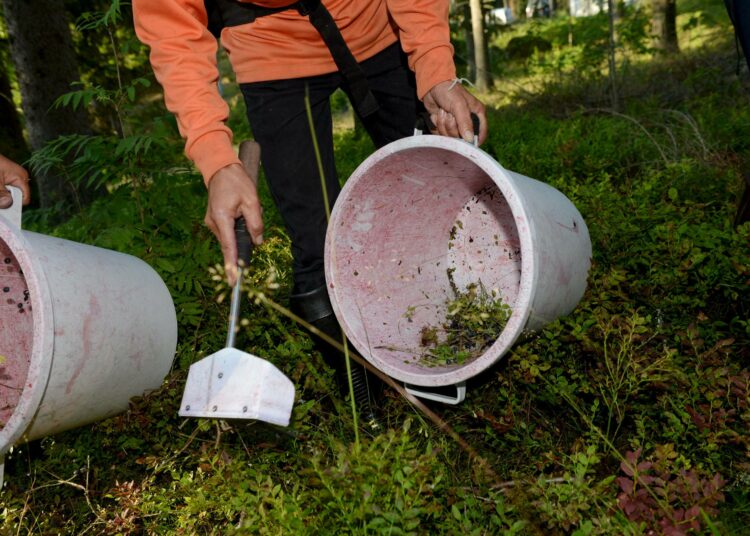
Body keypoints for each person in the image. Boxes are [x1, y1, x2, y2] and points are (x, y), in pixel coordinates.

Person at [132, 0, 488, 422]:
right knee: (319, 255)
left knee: (457, 190)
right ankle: (370, 406)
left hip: (377, 25)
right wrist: (217, 160)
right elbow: (172, 29)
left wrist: (434, 67)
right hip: (272, 50)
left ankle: (469, 352)